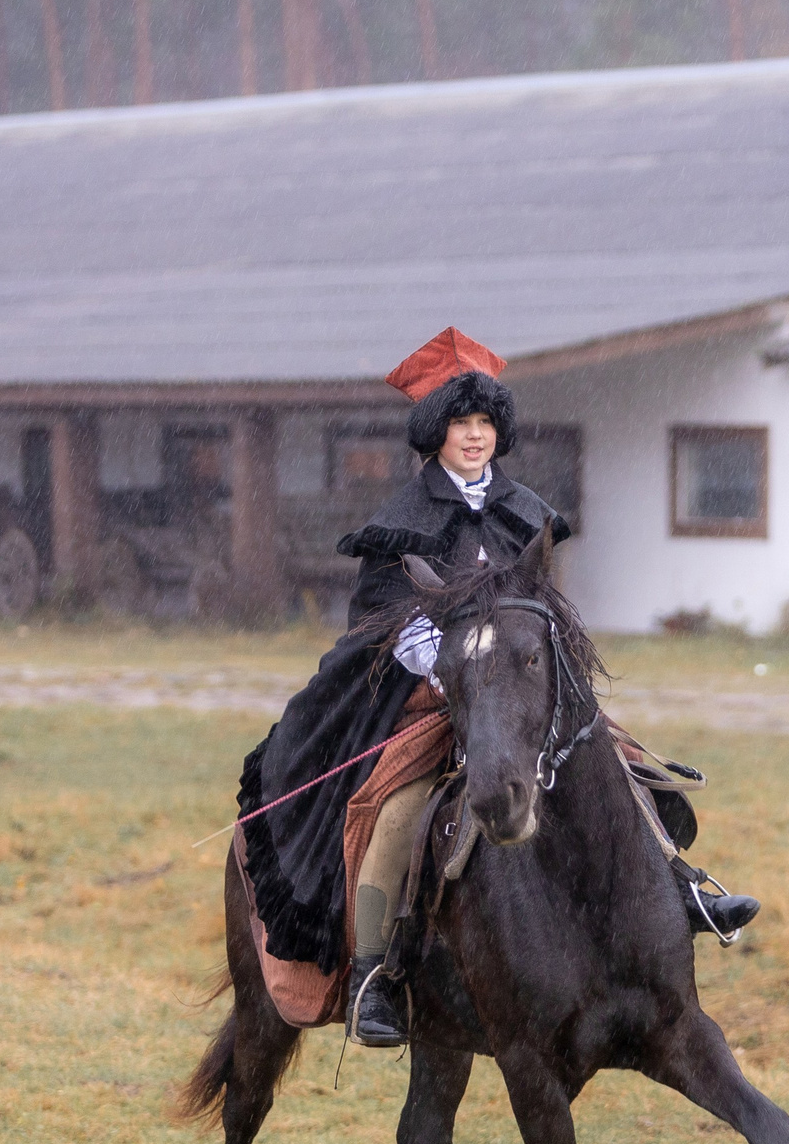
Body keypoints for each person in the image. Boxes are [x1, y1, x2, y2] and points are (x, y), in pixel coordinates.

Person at [236, 324, 760, 1049]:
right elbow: (385, 623)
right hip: (429, 700)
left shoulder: (525, 511)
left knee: (626, 766)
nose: (475, 435)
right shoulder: (400, 524)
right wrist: (454, 670)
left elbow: (543, 608)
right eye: (460, 422)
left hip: (521, 692)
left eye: (484, 421)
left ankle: (682, 887)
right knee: (390, 811)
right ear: (435, 433)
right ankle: (374, 976)